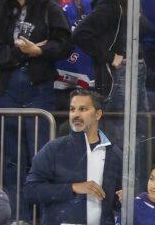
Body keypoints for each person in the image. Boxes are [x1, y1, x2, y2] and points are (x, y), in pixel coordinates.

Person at [0, 0, 72, 218]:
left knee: (40, 158)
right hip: (9, 89)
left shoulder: (49, 8)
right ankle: (18, 218)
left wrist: (39, 51)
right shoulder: (3, 11)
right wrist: (24, 54)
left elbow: (65, 43)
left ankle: (45, 218)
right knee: (12, 160)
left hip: (38, 89)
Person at [23, 90, 122, 225]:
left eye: (83, 109)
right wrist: (73, 188)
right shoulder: (53, 149)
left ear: (98, 114)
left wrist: (123, 198)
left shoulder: (113, 153)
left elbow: (118, 199)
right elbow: (30, 191)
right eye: (72, 109)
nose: (76, 115)